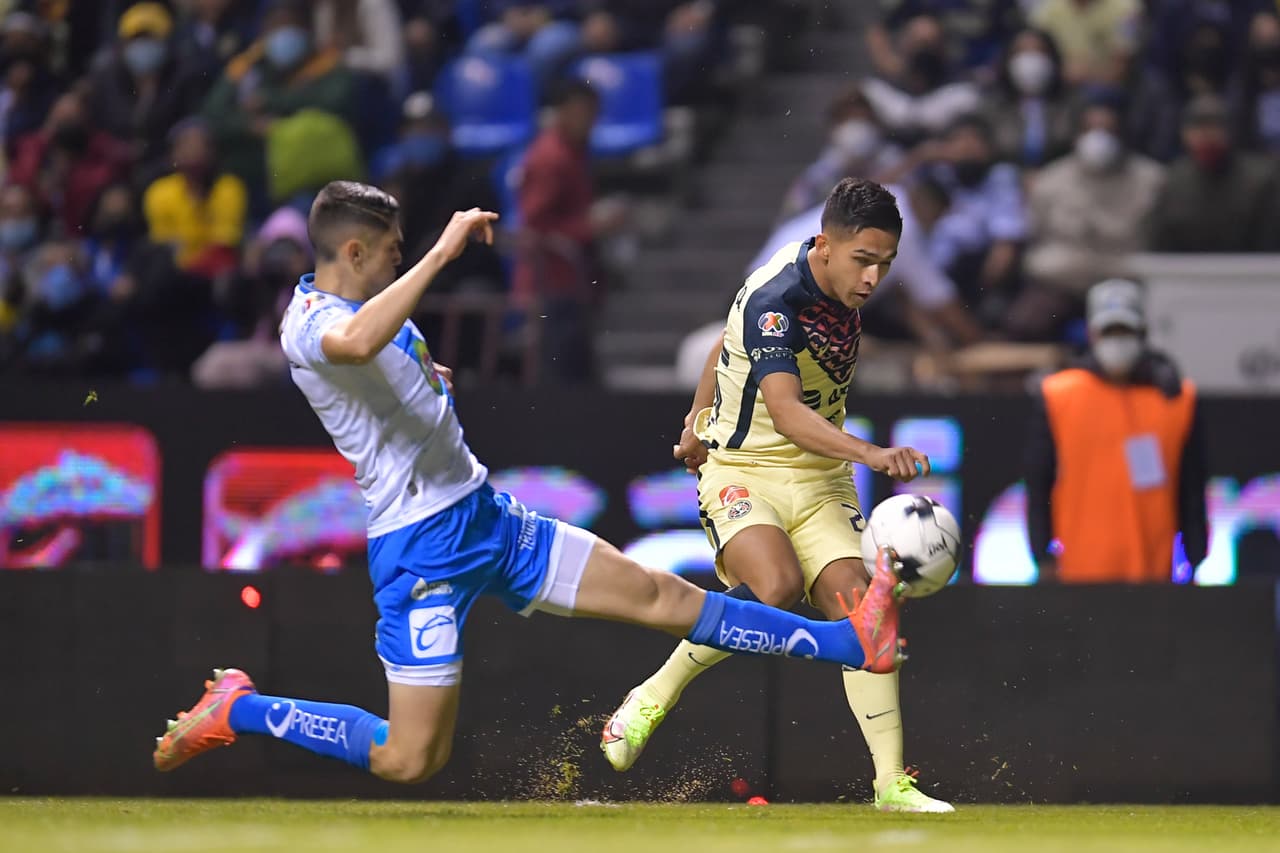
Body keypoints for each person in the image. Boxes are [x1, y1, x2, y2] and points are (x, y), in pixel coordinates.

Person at [152, 181, 908, 784]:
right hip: (421, 553)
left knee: (661, 596)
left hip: (488, 518)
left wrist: (425, 374)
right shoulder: (309, 321)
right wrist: (443, 253)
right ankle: (240, 708)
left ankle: (846, 642)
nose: (397, 262)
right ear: (353, 250)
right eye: (388, 254)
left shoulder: (370, 307)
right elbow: (353, 343)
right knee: (410, 759)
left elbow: (384, 353)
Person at [600, 178, 953, 814]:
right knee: (774, 585)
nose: (874, 278)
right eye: (864, 261)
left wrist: (692, 416)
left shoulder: (834, 287)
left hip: (820, 480)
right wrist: (873, 453)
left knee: (863, 609)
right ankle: (653, 695)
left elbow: (721, 343)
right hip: (744, 467)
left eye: (886, 264)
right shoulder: (777, 298)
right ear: (825, 244)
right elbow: (786, 414)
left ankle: (890, 784)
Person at [1025, 278, 1208, 583]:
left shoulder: (1176, 398)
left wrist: (1196, 557)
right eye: (1110, 331)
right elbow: (1039, 481)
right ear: (1092, 334)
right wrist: (1042, 555)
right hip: (1079, 570)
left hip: (1153, 571)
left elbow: (1192, 487)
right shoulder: (1059, 395)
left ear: (1143, 334)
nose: (1117, 341)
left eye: (1125, 331)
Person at [1008, 97, 1164, 341]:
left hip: (1127, 282)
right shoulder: (1050, 180)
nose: (1099, 139)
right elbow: (1035, 239)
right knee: (1025, 324)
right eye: (1091, 130)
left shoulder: (1152, 181)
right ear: (1076, 135)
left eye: (1107, 130)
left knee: (1155, 329)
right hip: (1064, 283)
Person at [1146, 94, 1280, 253]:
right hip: (1185, 273)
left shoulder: (1261, 180)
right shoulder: (1173, 181)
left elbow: (1269, 243)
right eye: (1197, 128)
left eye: (1213, 127)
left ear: (1230, 132)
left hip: (1251, 272)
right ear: (1184, 134)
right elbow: (1158, 242)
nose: (1205, 136)